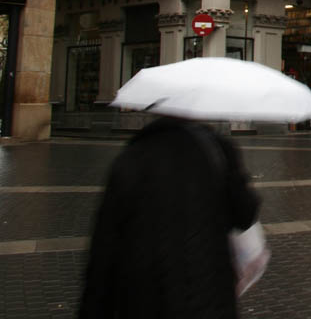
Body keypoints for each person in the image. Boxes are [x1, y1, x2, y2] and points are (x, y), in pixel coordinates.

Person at [78, 115, 261, 318]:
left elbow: (103, 251)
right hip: (208, 296)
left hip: (144, 299)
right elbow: (246, 214)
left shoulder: (133, 155)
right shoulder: (218, 149)